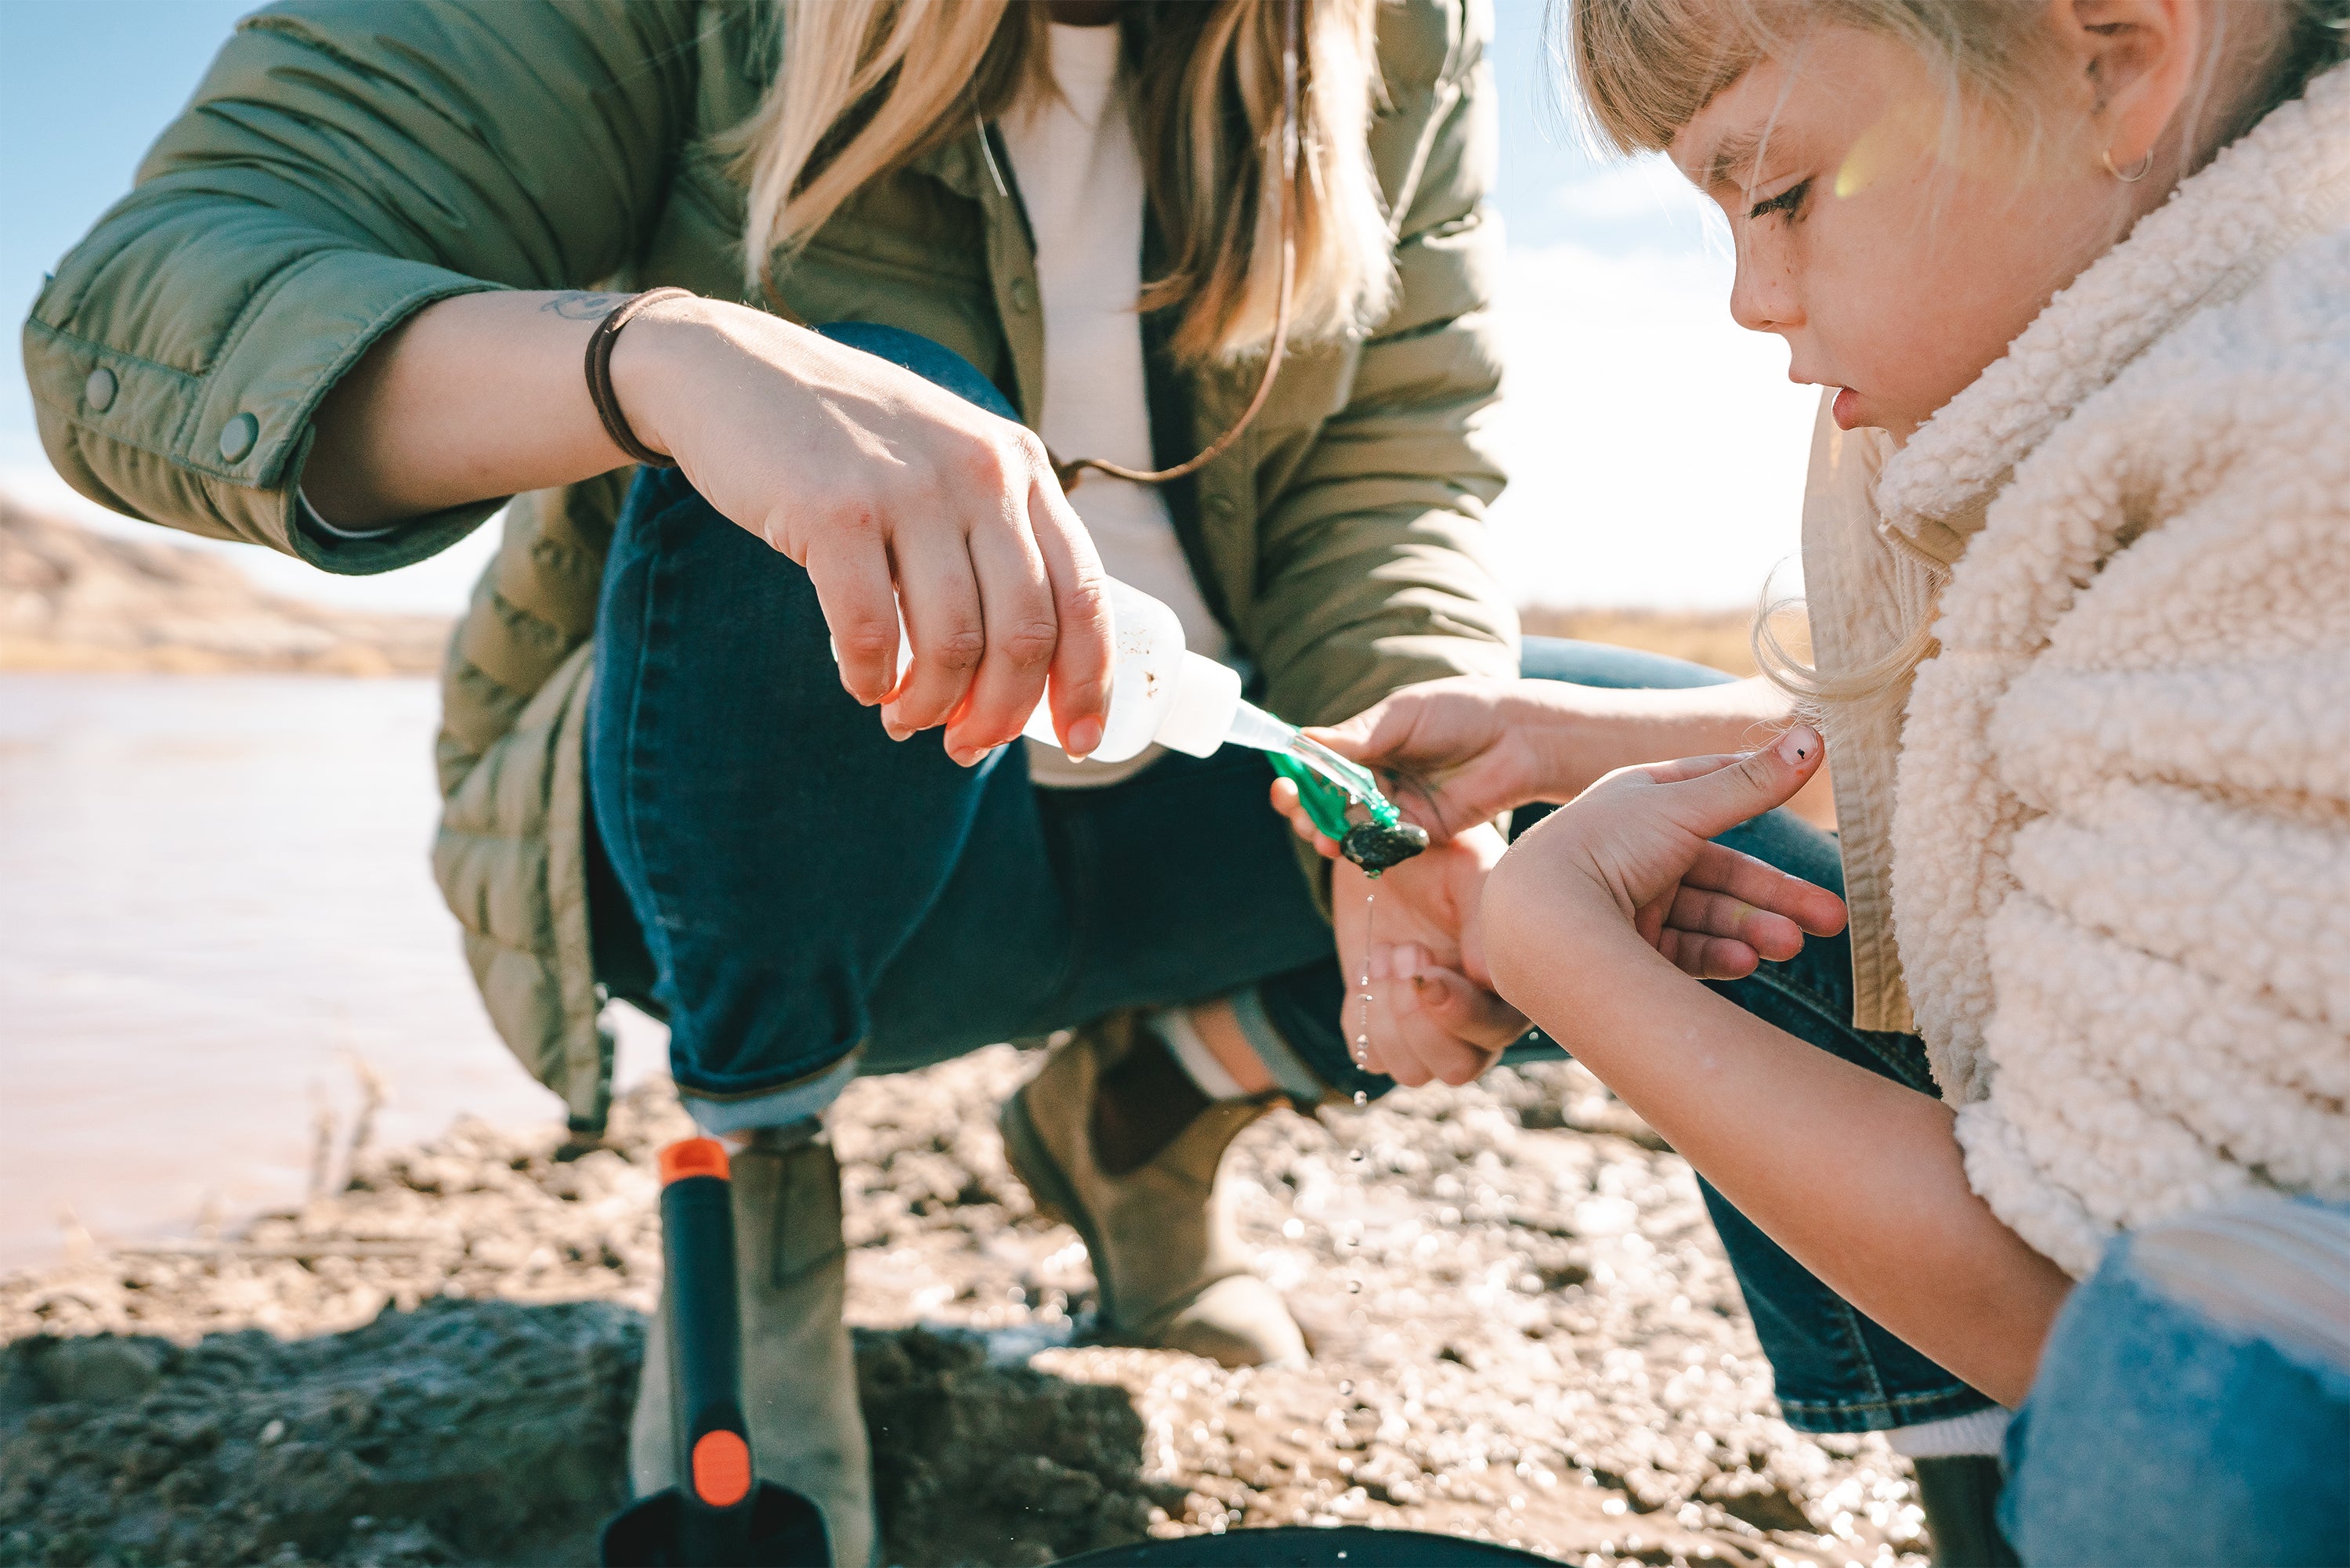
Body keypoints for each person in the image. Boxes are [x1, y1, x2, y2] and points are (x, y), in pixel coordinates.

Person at [23, 2, 1527, 1559]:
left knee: (1632, 806)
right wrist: (658, 362)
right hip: (762, 845)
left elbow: (1403, 455)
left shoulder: (1406, 32)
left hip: (1199, 798)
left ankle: (1146, 1109)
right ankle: (759, 1195)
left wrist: (1414, 801)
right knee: (845, 424)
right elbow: (133, 312)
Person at [1279, 0, 2350, 1559]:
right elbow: (2028, 727)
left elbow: (2128, 1321)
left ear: (2112, 55)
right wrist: (1585, 740)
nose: (1744, 297)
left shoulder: (2288, 441)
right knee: (1650, 728)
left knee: (2171, 1421)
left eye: (1775, 191)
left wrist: (1562, 955)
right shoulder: (2206, 324)